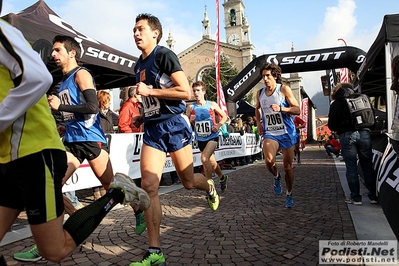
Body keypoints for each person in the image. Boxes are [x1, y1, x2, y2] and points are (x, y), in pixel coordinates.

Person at [0, 20, 149, 265]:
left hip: (91, 140)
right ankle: (52, 236)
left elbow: (92, 107)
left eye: (58, 50)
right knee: (56, 186)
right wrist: (63, 122)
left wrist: (62, 106)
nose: (53, 55)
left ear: (72, 53)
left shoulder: (82, 74)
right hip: (72, 140)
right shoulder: (63, 81)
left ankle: (134, 206)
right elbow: (73, 113)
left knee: (111, 184)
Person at [129, 13, 220, 266]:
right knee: (149, 186)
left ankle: (209, 186)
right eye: (134, 30)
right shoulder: (138, 65)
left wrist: (150, 91)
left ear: (155, 33)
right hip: (153, 130)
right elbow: (152, 100)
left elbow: (185, 92)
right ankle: (155, 251)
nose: (136, 34)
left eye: (141, 29)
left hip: (174, 126)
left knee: (189, 182)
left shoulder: (163, 55)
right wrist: (142, 116)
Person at [255, 63, 300, 208]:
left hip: (287, 132)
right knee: (268, 160)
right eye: (263, 76)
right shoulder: (260, 93)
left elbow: (297, 109)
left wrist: (282, 108)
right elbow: (257, 108)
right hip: (271, 133)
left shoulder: (284, 89)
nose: (265, 79)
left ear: (275, 75)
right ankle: (276, 177)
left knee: (288, 167)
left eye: (268, 75)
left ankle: (289, 193)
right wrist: (259, 122)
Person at [328, 82, 378, 205]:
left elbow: (331, 125)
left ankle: (356, 198)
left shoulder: (336, 103)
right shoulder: (362, 98)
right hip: (364, 133)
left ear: (336, 92)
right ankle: (373, 196)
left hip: (347, 135)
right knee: (367, 165)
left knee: (351, 167)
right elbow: (372, 116)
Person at [186, 81, 229, 192]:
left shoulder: (212, 104)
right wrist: (190, 121)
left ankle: (210, 186)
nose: (196, 93)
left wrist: (218, 125)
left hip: (212, 136)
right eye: (194, 91)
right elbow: (185, 124)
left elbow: (224, 116)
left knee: (204, 158)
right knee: (212, 162)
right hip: (200, 138)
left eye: (198, 90)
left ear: (204, 91)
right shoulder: (190, 107)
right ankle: (222, 177)